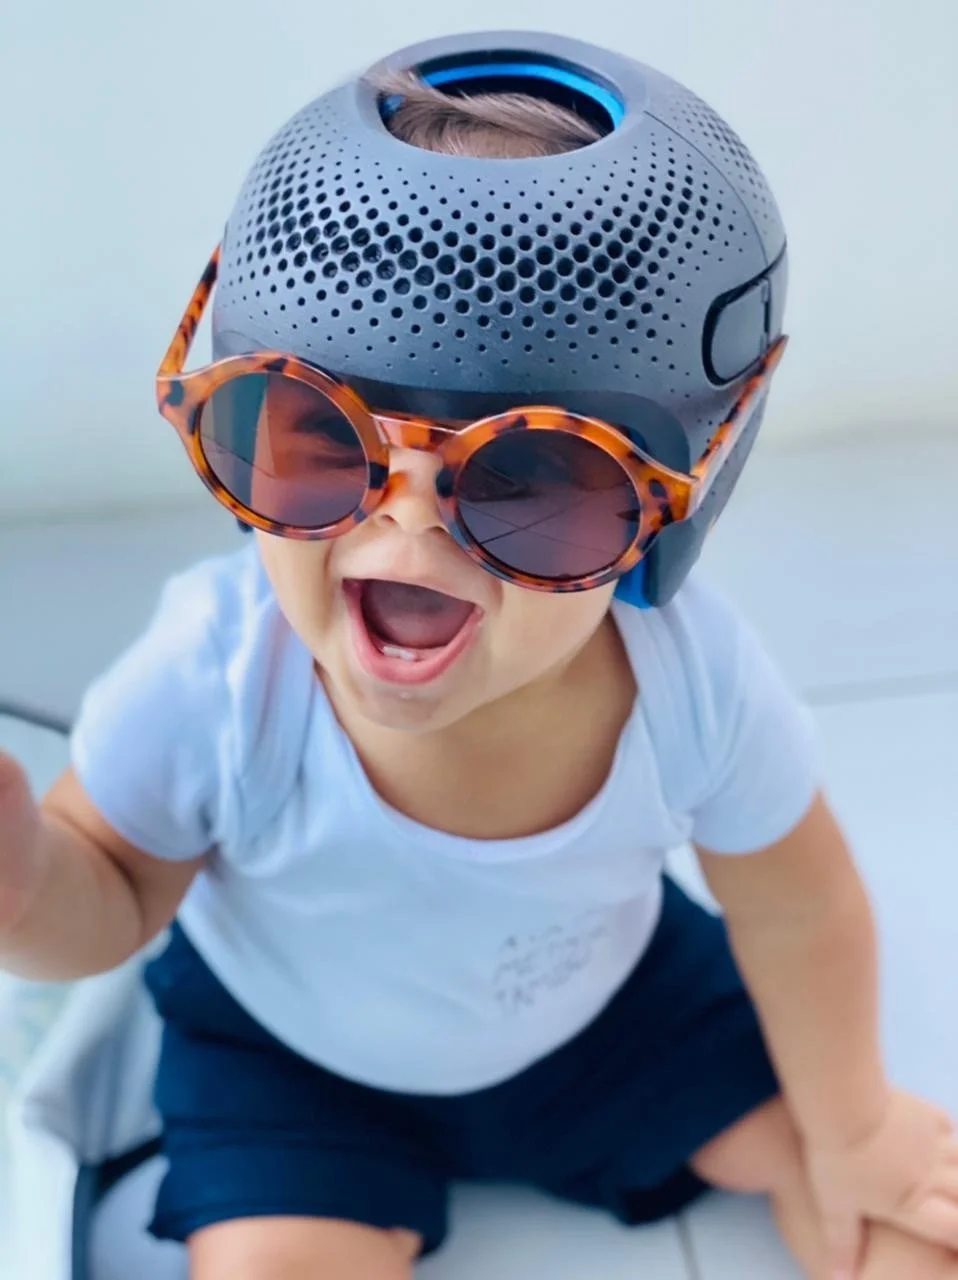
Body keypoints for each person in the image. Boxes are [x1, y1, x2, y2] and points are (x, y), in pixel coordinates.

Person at [2, 32, 957, 1280]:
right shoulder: (217, 672)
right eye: (310, 437)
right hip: (295, 1063)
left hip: (611, 1021)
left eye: (530, 480)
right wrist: (22, 883)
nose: (398, 522)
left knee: (899, 1201)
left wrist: (851, 1123)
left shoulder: (688, 681)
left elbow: (798, 897)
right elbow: (114, 890)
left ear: (684, 490)